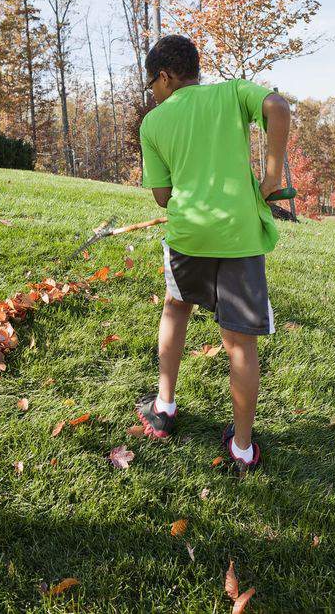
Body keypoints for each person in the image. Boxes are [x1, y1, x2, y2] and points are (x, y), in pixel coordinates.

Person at [136, 35, 291, 474]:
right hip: (240, 239)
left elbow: (163, 197)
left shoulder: (154, 123)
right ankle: (242, 449)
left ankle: (164, 408)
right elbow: (278, 108)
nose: (153, 92)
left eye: (152, 83)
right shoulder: (232, 92)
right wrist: (271, 175)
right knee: (240, 342)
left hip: (188, 239)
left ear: (165, 76)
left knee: (175, 308)